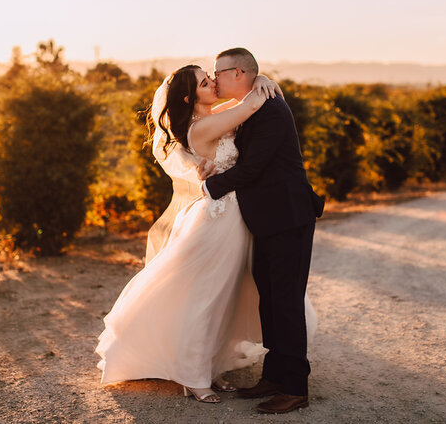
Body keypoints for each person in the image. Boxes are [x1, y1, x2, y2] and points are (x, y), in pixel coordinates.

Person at [95, 64, 302, 403]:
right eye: (206, 82)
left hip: (236, 217)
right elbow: (250, 105)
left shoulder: (214, 113)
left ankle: (211, 367)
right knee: (204, 297)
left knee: (224, 298)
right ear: (191, 97)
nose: (213, 83)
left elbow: (244, 105)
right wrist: (261, 81)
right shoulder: (201, 126)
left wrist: (261, 80)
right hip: (218, 221)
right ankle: (194, 377)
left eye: (211, 77)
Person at [201, 48, 325, 414]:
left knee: (286, 303)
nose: (215, 77)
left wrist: (210, 188)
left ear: (238, 73)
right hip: (268, 220)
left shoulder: (271, 110)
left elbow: (253, 168)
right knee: (269, 301)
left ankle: (295, 388)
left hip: (288, 218)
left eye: (218, 72)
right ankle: (274, 375)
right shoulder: (254, 103)